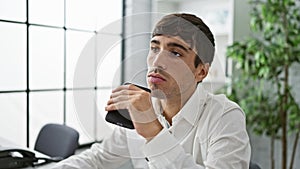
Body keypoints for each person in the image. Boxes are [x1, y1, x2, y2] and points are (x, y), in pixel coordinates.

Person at [53, 13, 251, 169]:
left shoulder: (225, 116)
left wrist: (154, 133)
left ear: (201, 71)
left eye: (175, 53)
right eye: (155, 48)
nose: (156, 62)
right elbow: (97, 160)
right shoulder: (143, 107)